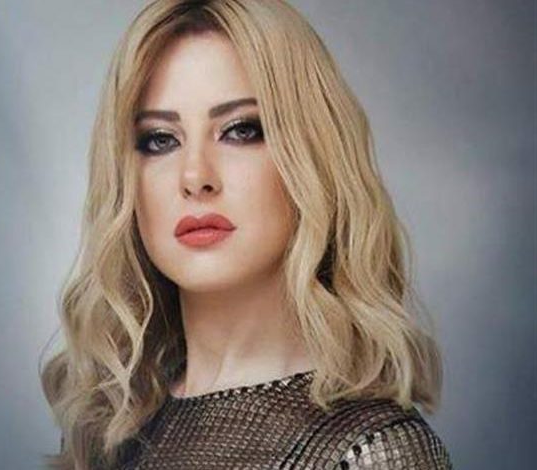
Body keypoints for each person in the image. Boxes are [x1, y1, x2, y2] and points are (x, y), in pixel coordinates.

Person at [40, 1, 453, 468]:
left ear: (312, 157)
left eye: (241, 130)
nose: (195, 176)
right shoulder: (111, 429)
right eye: (160, 139)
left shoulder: (372, 451)